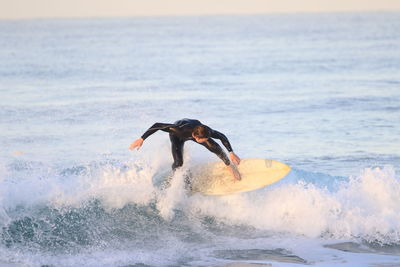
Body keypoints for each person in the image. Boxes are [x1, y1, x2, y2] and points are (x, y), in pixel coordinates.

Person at [129, 118, 241, 181]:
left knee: (215, 147)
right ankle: (175, 176)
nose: (206, 140)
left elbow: (222, 136)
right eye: (203, 139)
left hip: (196, 128)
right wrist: (142, 138)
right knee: (179, 163)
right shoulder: (177, 129)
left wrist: (231, 152)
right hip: (177, 136)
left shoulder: (207, 131)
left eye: (206, 138)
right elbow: (157, 125)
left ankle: (229, 167)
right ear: (195, 136)